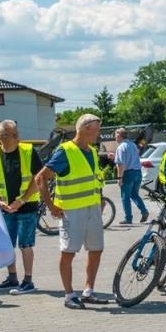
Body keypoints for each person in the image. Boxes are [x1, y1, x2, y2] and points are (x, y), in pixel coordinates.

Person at [32, 113, 108, 309]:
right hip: (72, 211)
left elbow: (94, 178)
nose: (98, 133)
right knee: (68, 252)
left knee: (96, 249)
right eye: (96, 129)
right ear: (84, 129)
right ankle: (69, 295)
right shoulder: (65, 151)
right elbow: (41, 177)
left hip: (92, 209)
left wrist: (100, 198)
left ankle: (88, 291)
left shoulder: (92, 151)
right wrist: (51, 206)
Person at [0, 120, 45, 294]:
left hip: (27, 206)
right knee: (7, 245)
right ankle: (12, 278)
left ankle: (28, 281)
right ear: (1, 137)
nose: (18, 137)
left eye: (16, 133)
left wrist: (22, 200)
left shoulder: (28, 151)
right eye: (12, 134)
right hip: (5, 208)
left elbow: (38, 178)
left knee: (25, 245)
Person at [113, 127, 149, 226]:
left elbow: (121, 164)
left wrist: (119, 178)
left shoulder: (121, 147)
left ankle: (128, 218)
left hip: (128, 174)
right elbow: (132, 157)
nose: (114, 137)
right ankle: (144, 211)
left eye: (115, 135)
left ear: (119, 136)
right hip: (137, 172)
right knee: (134, 194)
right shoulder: (132, 145)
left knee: (125, 197)